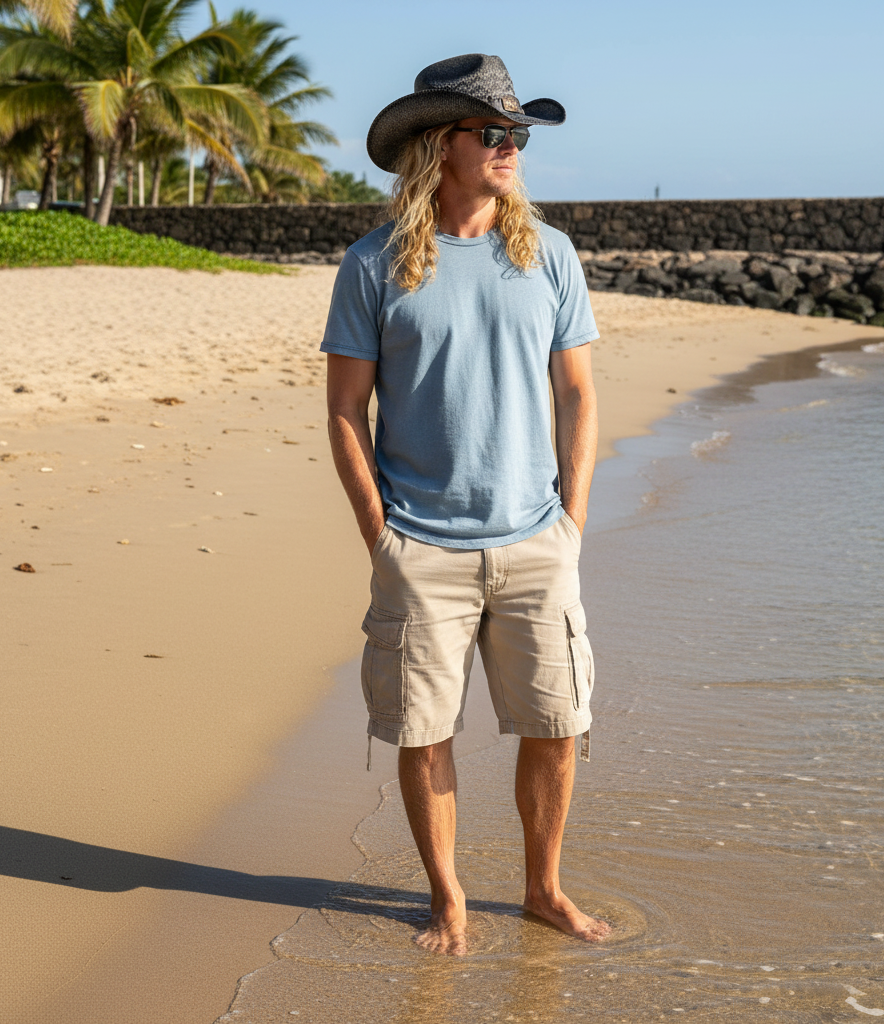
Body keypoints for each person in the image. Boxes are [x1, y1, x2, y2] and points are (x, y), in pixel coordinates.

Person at [321, 53, 608, 956]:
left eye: (519, 134)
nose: (513, 148)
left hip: (536, 541)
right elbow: (343, 412)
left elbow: (579, 396)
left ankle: (541, 890)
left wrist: (574, 520)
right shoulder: (374, 264)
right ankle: (448, 900)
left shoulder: (549, 254)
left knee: (559, 727)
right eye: (495, 133)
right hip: (422, 550)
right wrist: (382, 538)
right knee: (425, 732)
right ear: (438, 146)